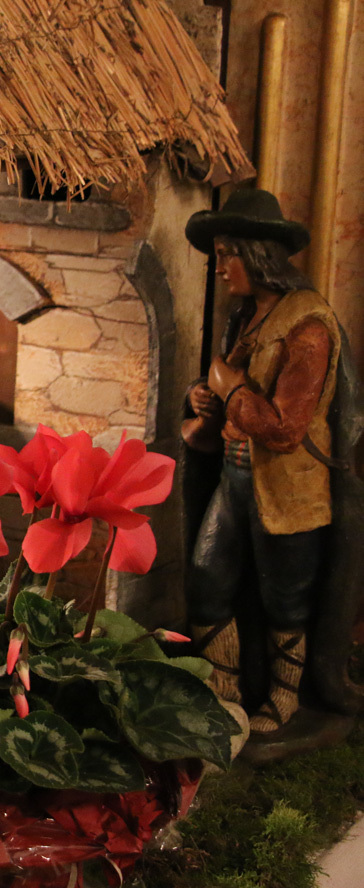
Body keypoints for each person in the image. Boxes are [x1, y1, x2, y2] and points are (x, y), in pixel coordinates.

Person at [183, 188, 364, 737]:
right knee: (206, 578)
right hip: (235, 476)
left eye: (227, 255)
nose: (219, 268)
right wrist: (204, 396)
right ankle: (224, 694)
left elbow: (285, 429)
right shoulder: (246, 315)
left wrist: (230, 386)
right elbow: (231, 389)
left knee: (286, 600)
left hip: (289, 491)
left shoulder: (308, 327)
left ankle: (285, 698)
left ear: (257, 254)